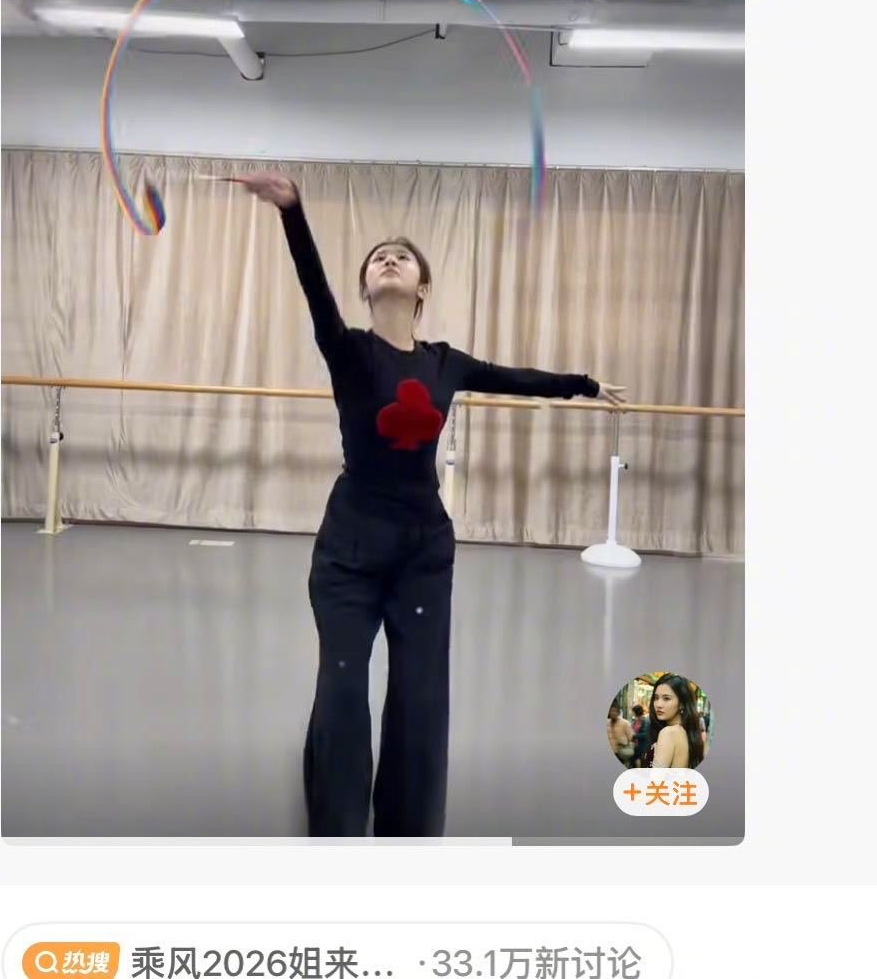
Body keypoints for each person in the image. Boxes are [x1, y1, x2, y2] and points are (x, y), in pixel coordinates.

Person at [236, 171, 626, 837]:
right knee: (342, 685)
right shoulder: (348, 350)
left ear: (423, 288)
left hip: (422, 552)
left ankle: (408, 829)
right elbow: (313, 288)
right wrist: (291, 210)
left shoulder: (444, 362)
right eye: (377, 258)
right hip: (349, 551)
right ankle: (334, 822)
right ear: (366, 287)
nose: (389, 259)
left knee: (419, 695)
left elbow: (513, 377)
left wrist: (583, 384)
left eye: (403, 256)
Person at [644, 674, 705, 771]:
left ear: (682, 704)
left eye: (666, 698)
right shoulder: (686, 731)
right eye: (656, 698)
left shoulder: (668, 733)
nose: (658, 704)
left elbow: (656, 779)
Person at [630, 702, 649, 768]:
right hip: (634, 745)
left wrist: (635, 735)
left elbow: (646, 734)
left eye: (633, 711)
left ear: (636, 712)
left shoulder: (645, 721)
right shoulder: (634, 720)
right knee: (633, 761)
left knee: (640, 761)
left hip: (641, 746)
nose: (631, 713)